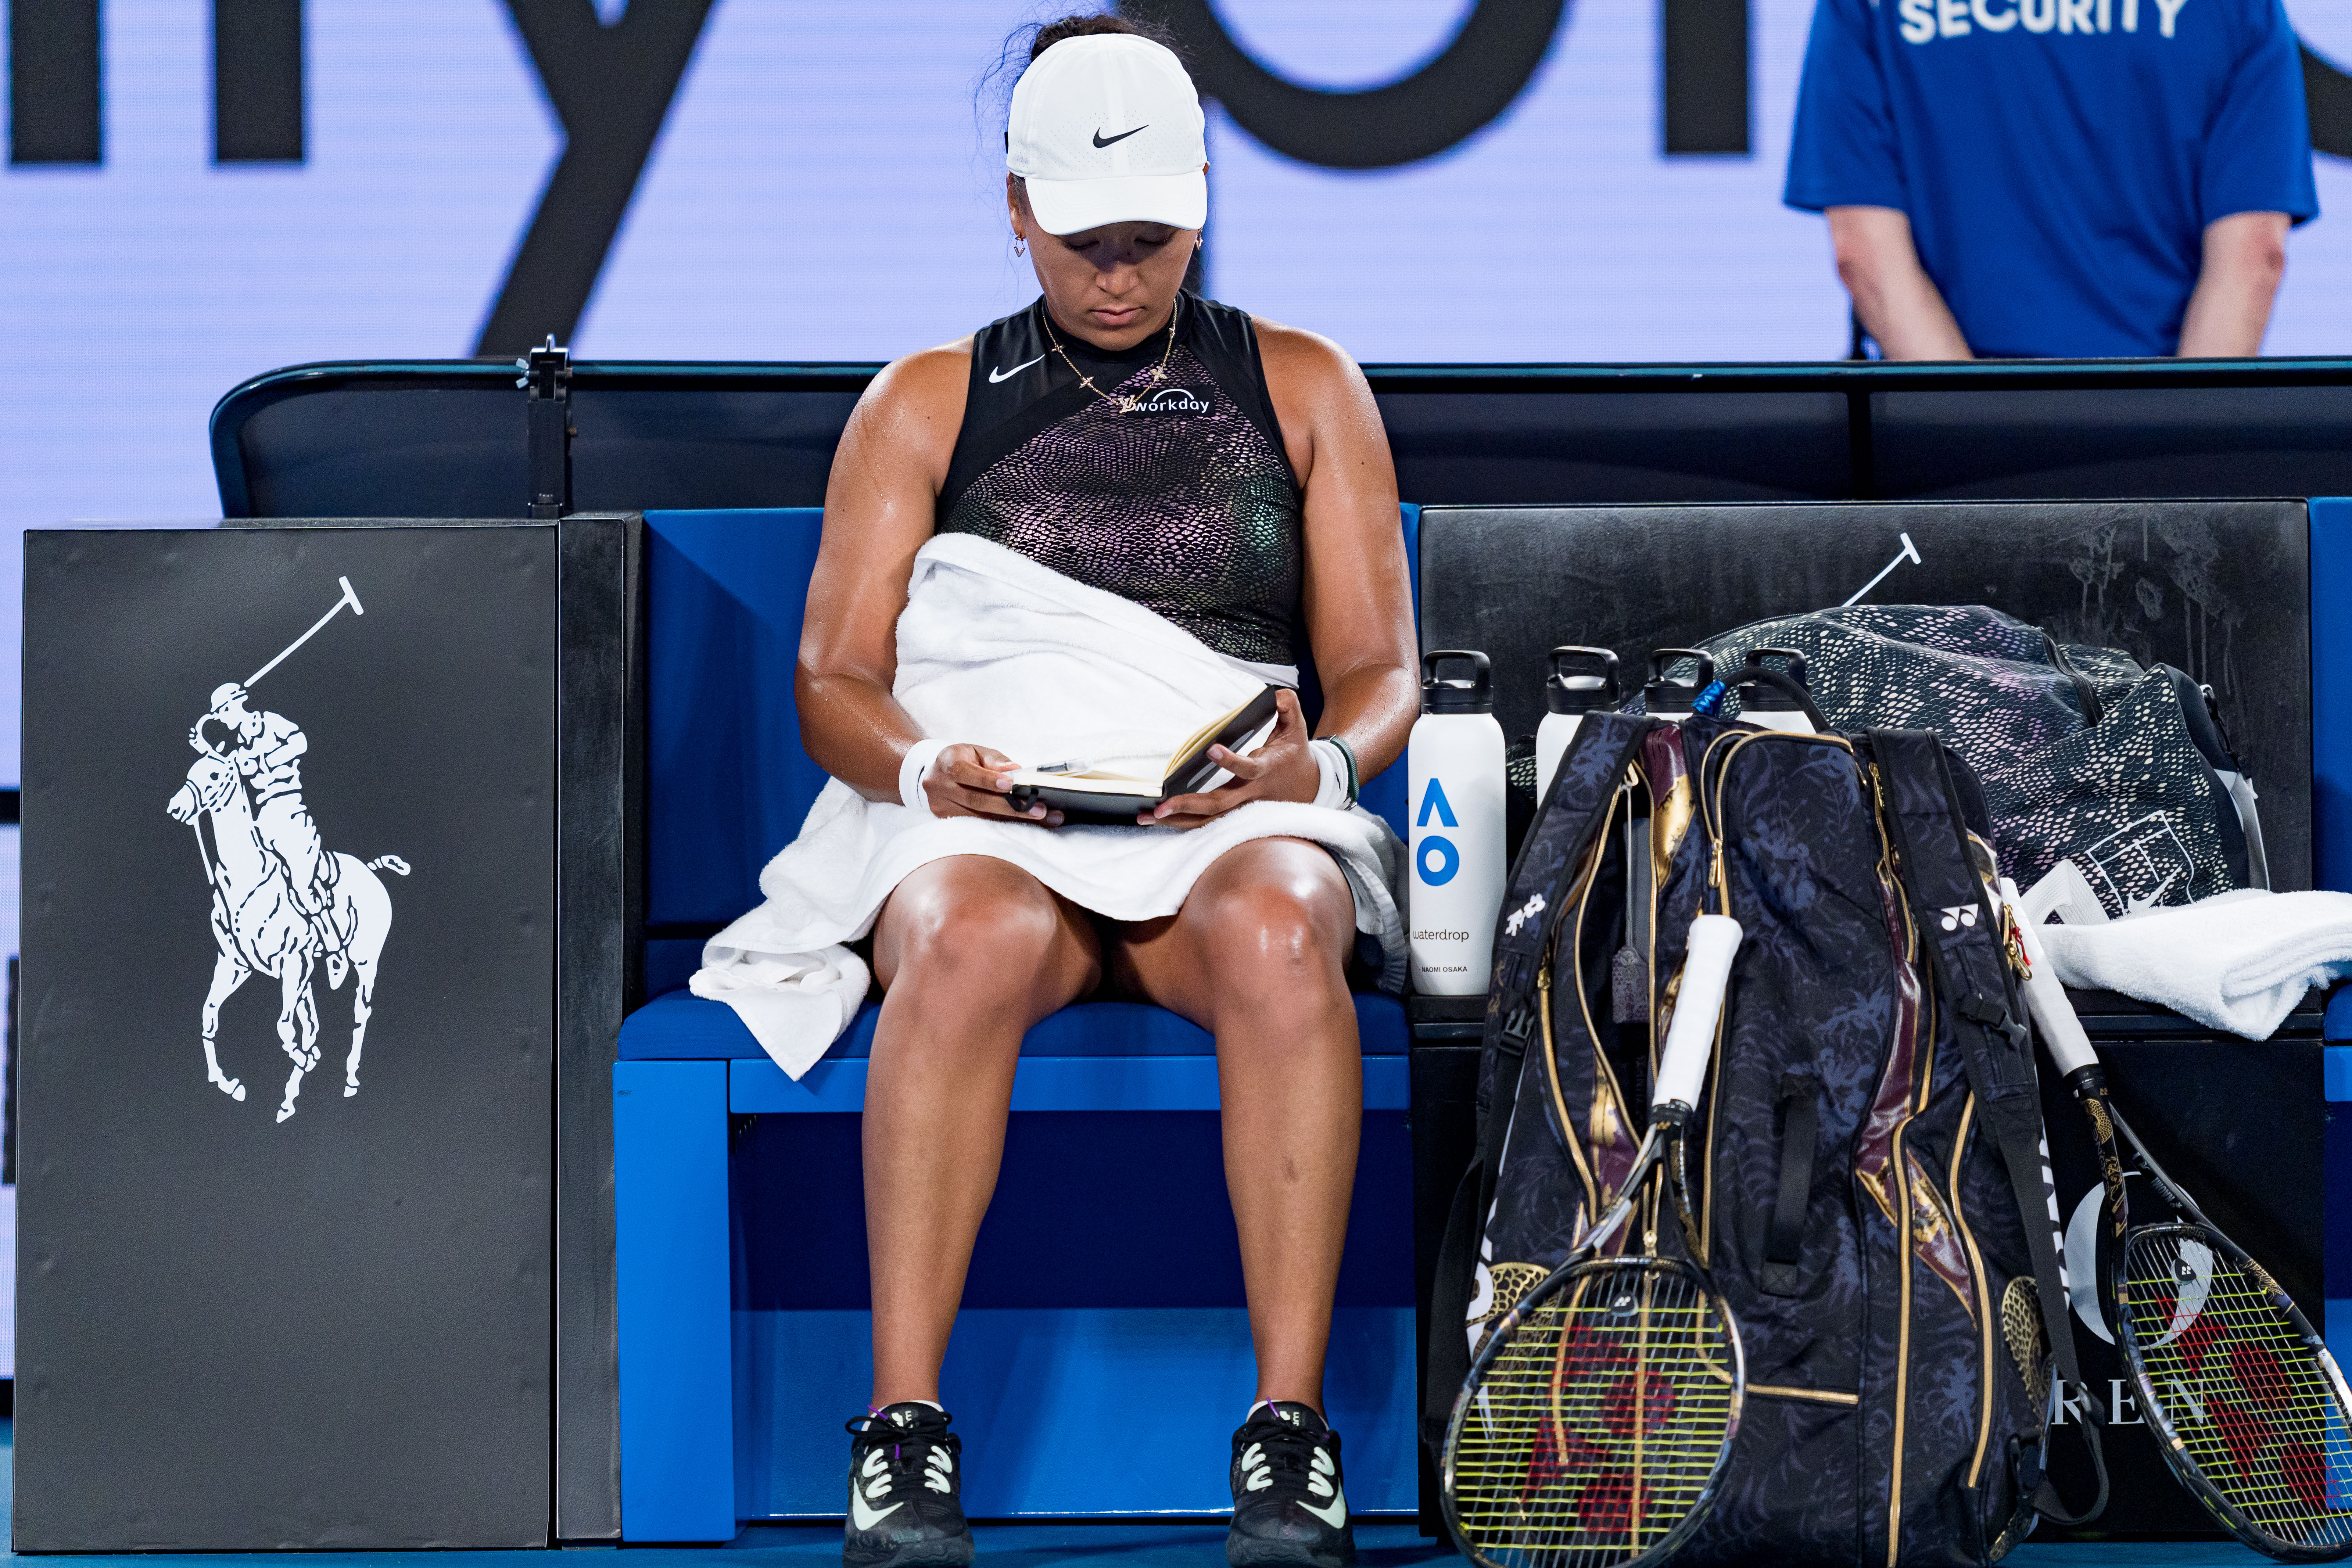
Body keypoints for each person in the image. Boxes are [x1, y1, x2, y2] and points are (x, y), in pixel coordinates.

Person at [792, 17, 1415, 1568]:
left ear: (1200, 212)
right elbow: (832, 683)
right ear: (1016, 208)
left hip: (1226, 828)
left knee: (1289, 926)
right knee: (958, 939)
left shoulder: (1310, 387)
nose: (1121, 277)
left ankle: (1288, 1438)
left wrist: (1317, 764)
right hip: (1001, 829)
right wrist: (927, 765)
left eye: (1151, 241)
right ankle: (901, 1435)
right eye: (1085, 244)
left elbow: (1379, 668)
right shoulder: (925, 401)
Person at [1784, 0, 2319, 358]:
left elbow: (1866, 256)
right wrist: (2176, 463)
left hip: (1949, 447)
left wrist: (1975, 454)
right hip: (2152, 420)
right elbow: (2254, 258)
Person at [195, 683, 329, 922]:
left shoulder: (269, 723)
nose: (223, 720)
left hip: (288, 804)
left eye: (224, 711)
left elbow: (301, 743)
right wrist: (204, 749)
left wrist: (264, 762)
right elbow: (224, 769)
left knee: (297, 862)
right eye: (219, 714)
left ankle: (319, 914)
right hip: (262, 814)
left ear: (237, 704)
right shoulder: (236, 746)